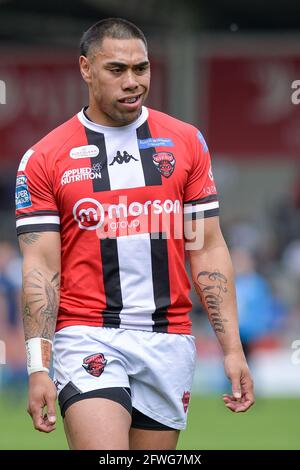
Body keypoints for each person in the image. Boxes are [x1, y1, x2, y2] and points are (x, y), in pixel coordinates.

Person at [15, 18, 254, 450]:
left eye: (141, 69)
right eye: (117, 70)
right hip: (88, 333)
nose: (133, 81)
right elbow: (41, 270)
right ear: (86, 69)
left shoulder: (186, 142)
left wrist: (233, 349)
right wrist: (37, 366)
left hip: (168, 338)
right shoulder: (45, 158)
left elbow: (208, 249)